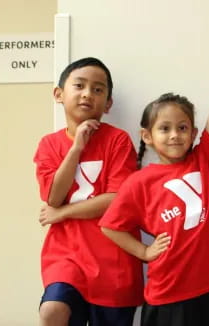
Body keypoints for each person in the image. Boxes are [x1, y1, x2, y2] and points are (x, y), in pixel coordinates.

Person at [99, 56, 209, 326]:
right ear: (147, 136)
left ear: (194, 133)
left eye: (182, 128)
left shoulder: (202, 161)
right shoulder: (139, 182)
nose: (175, 134)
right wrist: (143, 252)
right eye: (165, 128)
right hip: (168, 296)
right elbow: (110, 226)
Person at [34, 57, 142, 326]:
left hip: (114, 260)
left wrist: (61, 214)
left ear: (108, 103)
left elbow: (116, 200)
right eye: (79, 85)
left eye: (98, 89)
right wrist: (76, 148)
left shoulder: (117, 140)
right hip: (66, 254)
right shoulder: (49, 145)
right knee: (52, 311)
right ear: (59, 94)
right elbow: (53, 198)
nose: (87, 94)